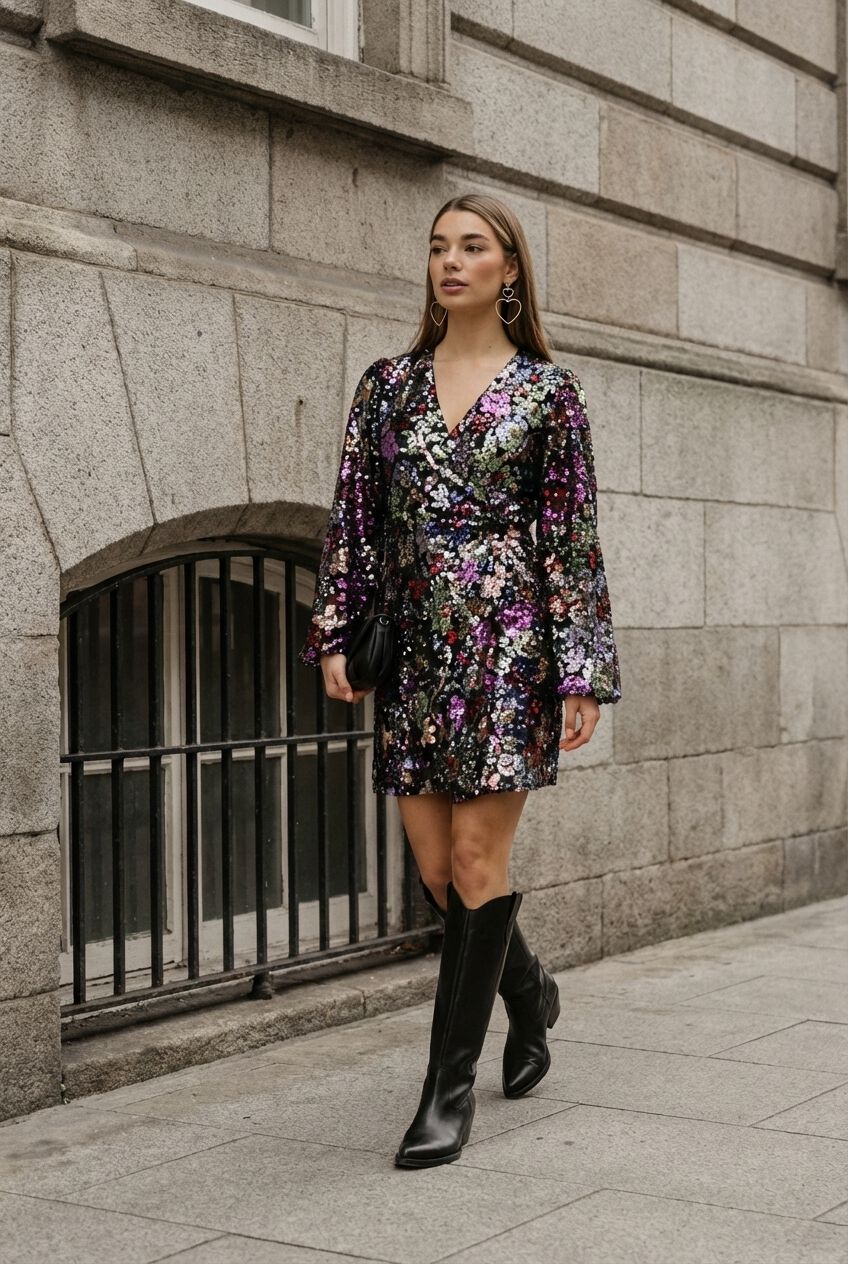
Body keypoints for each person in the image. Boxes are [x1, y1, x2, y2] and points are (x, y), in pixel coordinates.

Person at [299, 192, 622, 1168]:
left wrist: (579, 670)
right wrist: (334, 630)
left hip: (510, 645)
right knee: (440, 872)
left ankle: (444, 1096)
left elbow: (569, 537)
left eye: (472, 247)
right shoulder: (386, 386)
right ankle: (529, 991)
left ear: (508, 269)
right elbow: (354, 518)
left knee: (480, 862)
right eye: (439, 246)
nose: (450, 260)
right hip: (414, 647)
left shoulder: (548, 394)